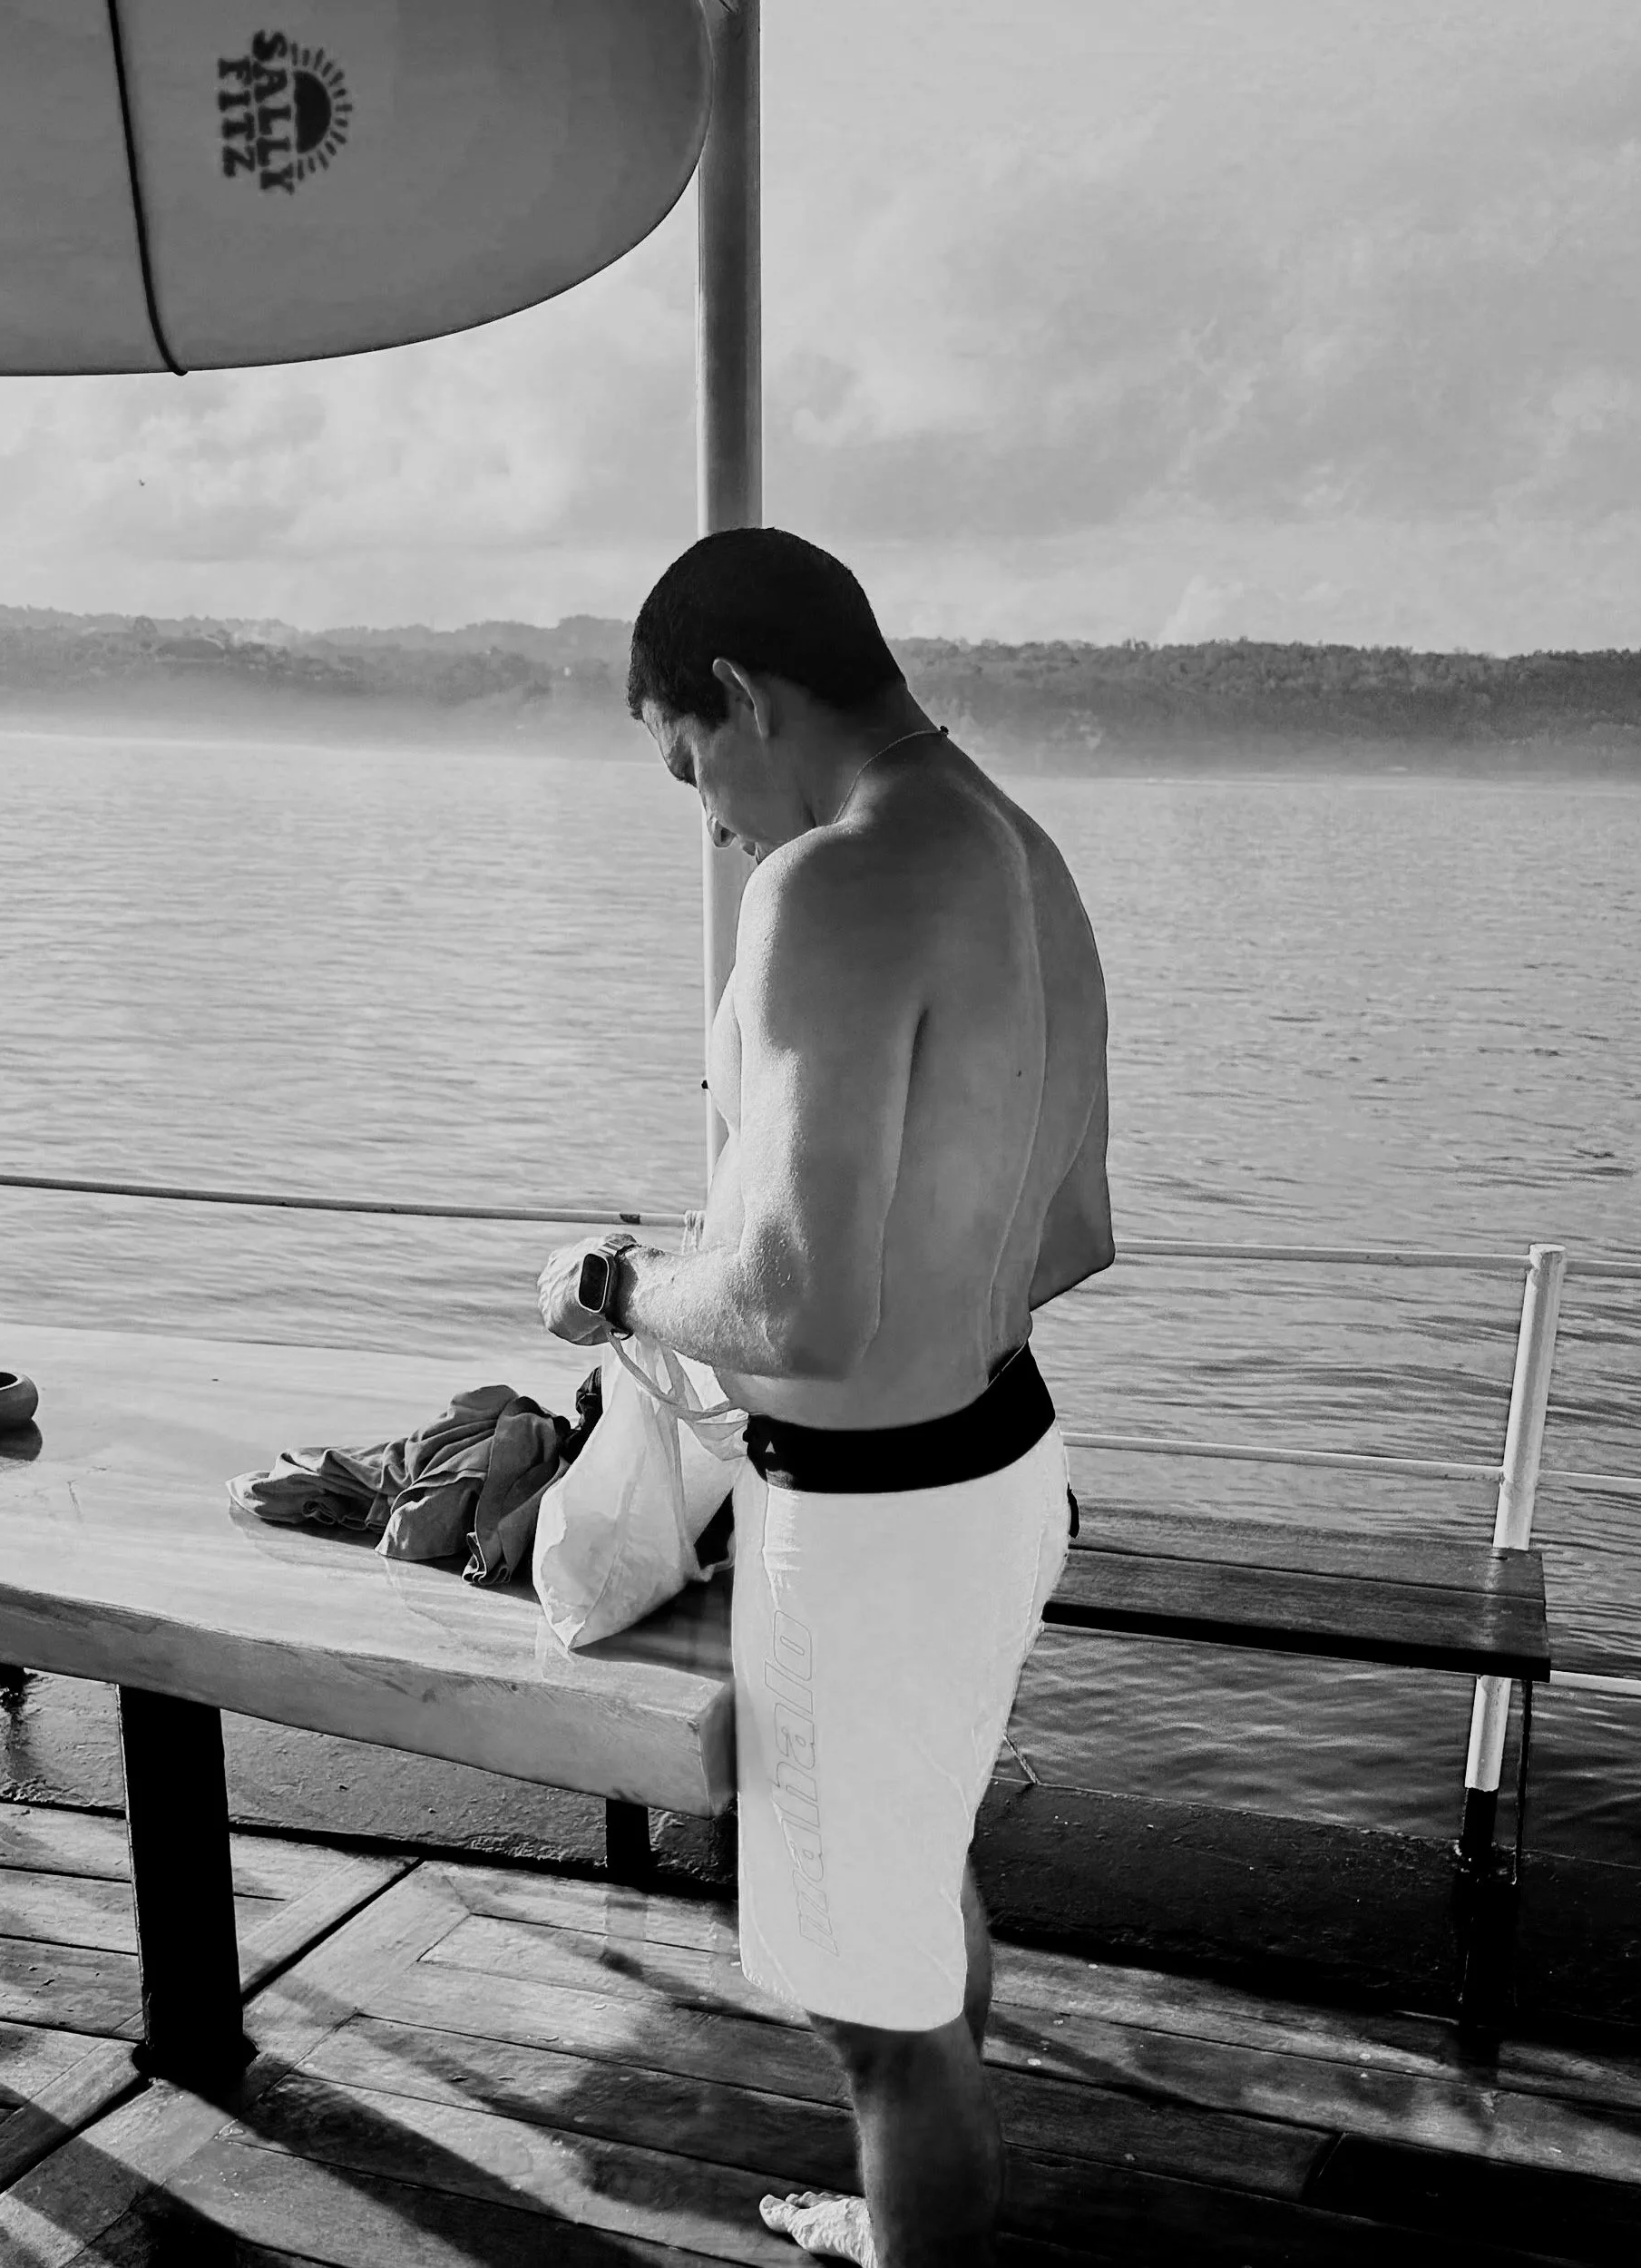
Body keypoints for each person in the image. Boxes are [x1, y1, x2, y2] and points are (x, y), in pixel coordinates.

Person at [538, 527, 1112, 2268]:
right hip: (1002, 1470)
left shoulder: (832, 883)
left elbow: (796, 1308)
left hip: (873, 1535)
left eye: (690, 764)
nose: (713, 821)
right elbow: (1073, 1228)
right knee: (915, 1879)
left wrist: (616, 1290)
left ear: (741, 692)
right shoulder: (1021, 850)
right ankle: (904, 2214)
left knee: (876, 2021)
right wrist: (924, 1332)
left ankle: (916, 2228)